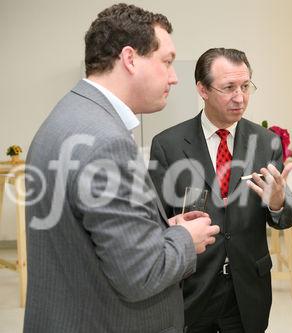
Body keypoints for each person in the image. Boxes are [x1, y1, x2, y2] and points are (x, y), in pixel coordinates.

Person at [24, 4, 219, 332]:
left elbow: (93, 233)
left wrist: (159, 229)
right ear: (130, 59)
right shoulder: (105, 142)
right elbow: (141, 273)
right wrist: (186, 238)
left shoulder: (71, 114)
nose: (174, 77)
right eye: (167, 62)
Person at [149, 48, 292, 333]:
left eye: (245, 86)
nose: (240, 97)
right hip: (193, 287)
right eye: (229, 87)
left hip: (247, 290)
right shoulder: (167, 145)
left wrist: (278, 203)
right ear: (202, 89)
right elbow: (154, 223)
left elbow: (286, 217)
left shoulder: (266, 142)